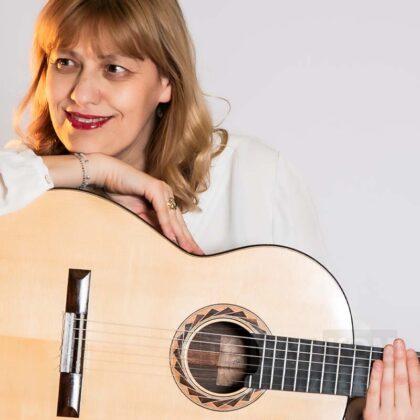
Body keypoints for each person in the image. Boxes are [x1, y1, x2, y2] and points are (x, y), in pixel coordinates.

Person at [0, 1, 418, 419]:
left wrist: (373, 408)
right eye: (65, 63)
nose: (81, 93)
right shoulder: (27, 181)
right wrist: (96, 169)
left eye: (114, 69)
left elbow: (338, 343)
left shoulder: (254, 176)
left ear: (166, 81)